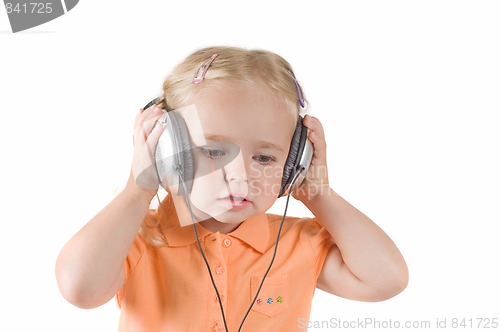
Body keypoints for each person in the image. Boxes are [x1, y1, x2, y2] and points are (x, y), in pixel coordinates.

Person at [55, 46, 408, 331]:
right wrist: (138, 189)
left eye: (266, 159)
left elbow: (386, 280)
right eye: (214, 151)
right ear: (168, 151)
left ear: (294, 163)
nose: (240, 176)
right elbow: (79, 289)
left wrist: (317, 192)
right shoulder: (138, 238)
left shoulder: (297, 243)